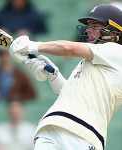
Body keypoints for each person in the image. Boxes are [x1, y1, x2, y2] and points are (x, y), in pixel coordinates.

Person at [8, 4, 122, 150]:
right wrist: (53, 75)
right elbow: (71, 94)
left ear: (114, 31)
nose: (88, 30)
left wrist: (33, 45)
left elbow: (69, 48)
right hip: (52, 126)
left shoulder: (117, 52)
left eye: (95, 26)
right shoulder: (91, 62)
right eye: (89, 26)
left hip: (83, 134)